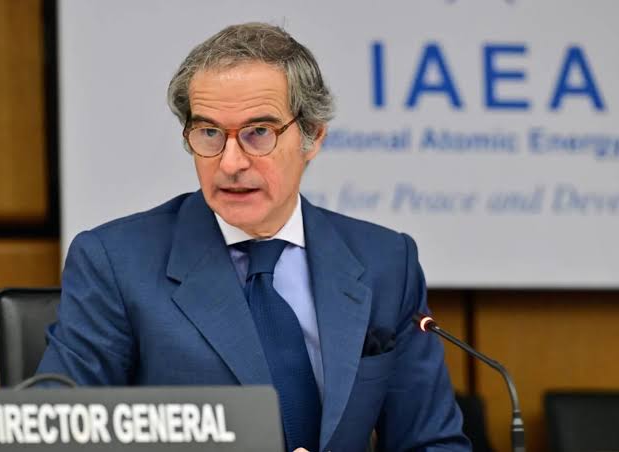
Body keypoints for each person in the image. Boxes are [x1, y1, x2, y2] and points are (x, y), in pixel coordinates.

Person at [37, 22, 470, 452]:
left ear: (313, 136)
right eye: (209, 133)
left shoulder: (385, 262)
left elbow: (432, 443)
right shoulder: (116, 263)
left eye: (258, 133)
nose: (230, 163)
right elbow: (56, 438)